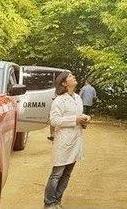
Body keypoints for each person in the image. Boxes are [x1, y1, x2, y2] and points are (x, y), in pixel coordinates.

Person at [44, 72, 90, 209]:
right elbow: (54, 120)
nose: (74, 77)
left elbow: (78, 116)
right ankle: (49, 203)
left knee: (67, 174)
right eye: (70, 77)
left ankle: (57, 201)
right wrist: (75, 120)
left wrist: (84, 120)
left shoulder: (78, 98)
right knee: (57, 174)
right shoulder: (59, 100)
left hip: (75, 140)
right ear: (64, 83)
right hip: (63, 141)